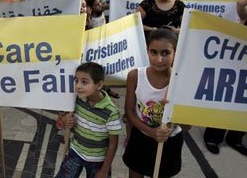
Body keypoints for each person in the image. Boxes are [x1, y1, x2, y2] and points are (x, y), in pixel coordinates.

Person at [123, 28, 190, 177]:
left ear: (175, 53)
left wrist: (173, 108)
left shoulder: (181, 81)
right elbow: (130, 112)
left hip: (169, 141)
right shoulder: (135, 76)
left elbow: (187, 126)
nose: (159, 59)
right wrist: (152, 132)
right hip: (141, 137)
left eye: (165, 53)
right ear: (147, 51)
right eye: (153, 52)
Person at [55, 62, 121, 178]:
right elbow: (62, 122)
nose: (78, 86)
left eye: (84, 82)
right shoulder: (77, 99)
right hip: (75, 151)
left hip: (98, 160)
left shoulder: (111, 112)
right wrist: (68, 122)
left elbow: (113, 144)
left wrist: (104, 170)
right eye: (76, 81)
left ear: (99, 85)